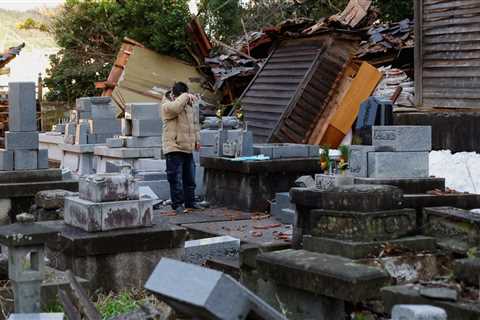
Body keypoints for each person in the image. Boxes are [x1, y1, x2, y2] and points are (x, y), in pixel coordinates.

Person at [160, 82, 201, 214]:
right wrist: (185, 96)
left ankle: (191, 203)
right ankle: (177, 204)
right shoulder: (166, 105)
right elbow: (175, 108)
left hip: (187, 147)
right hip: (174, 147)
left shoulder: (189, 106)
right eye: (185, 94)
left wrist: (197, 140)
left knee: (190, 179)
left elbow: (195, 124)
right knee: (175, 179)